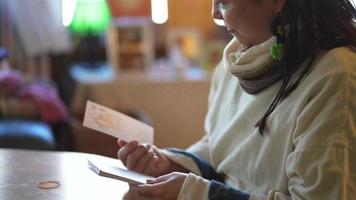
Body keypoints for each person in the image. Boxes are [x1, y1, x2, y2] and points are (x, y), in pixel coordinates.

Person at [117, 0, 356, 199]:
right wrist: (169, 163)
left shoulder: (334, 73)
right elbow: (218, 149)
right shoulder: (233, 63)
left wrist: (197, 193)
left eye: (223, 1)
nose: (214, 14)